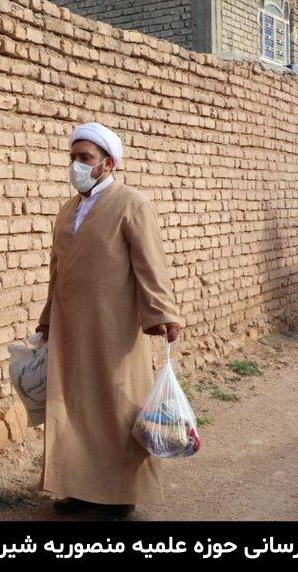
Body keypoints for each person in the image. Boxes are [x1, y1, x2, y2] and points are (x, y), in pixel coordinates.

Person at [36, 122, 181, 520]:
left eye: (85, 159)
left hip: (113, 325)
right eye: (73, 158)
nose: (76, 166)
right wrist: (48, 318)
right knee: (73, 406)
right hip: (70, 326)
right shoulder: (68, 210)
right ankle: (77, 488)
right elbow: (57, 270)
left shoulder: (132, 204)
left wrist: (163, 312)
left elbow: (151, 264)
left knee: (117, 402)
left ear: (108, 164)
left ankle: (118, 494)